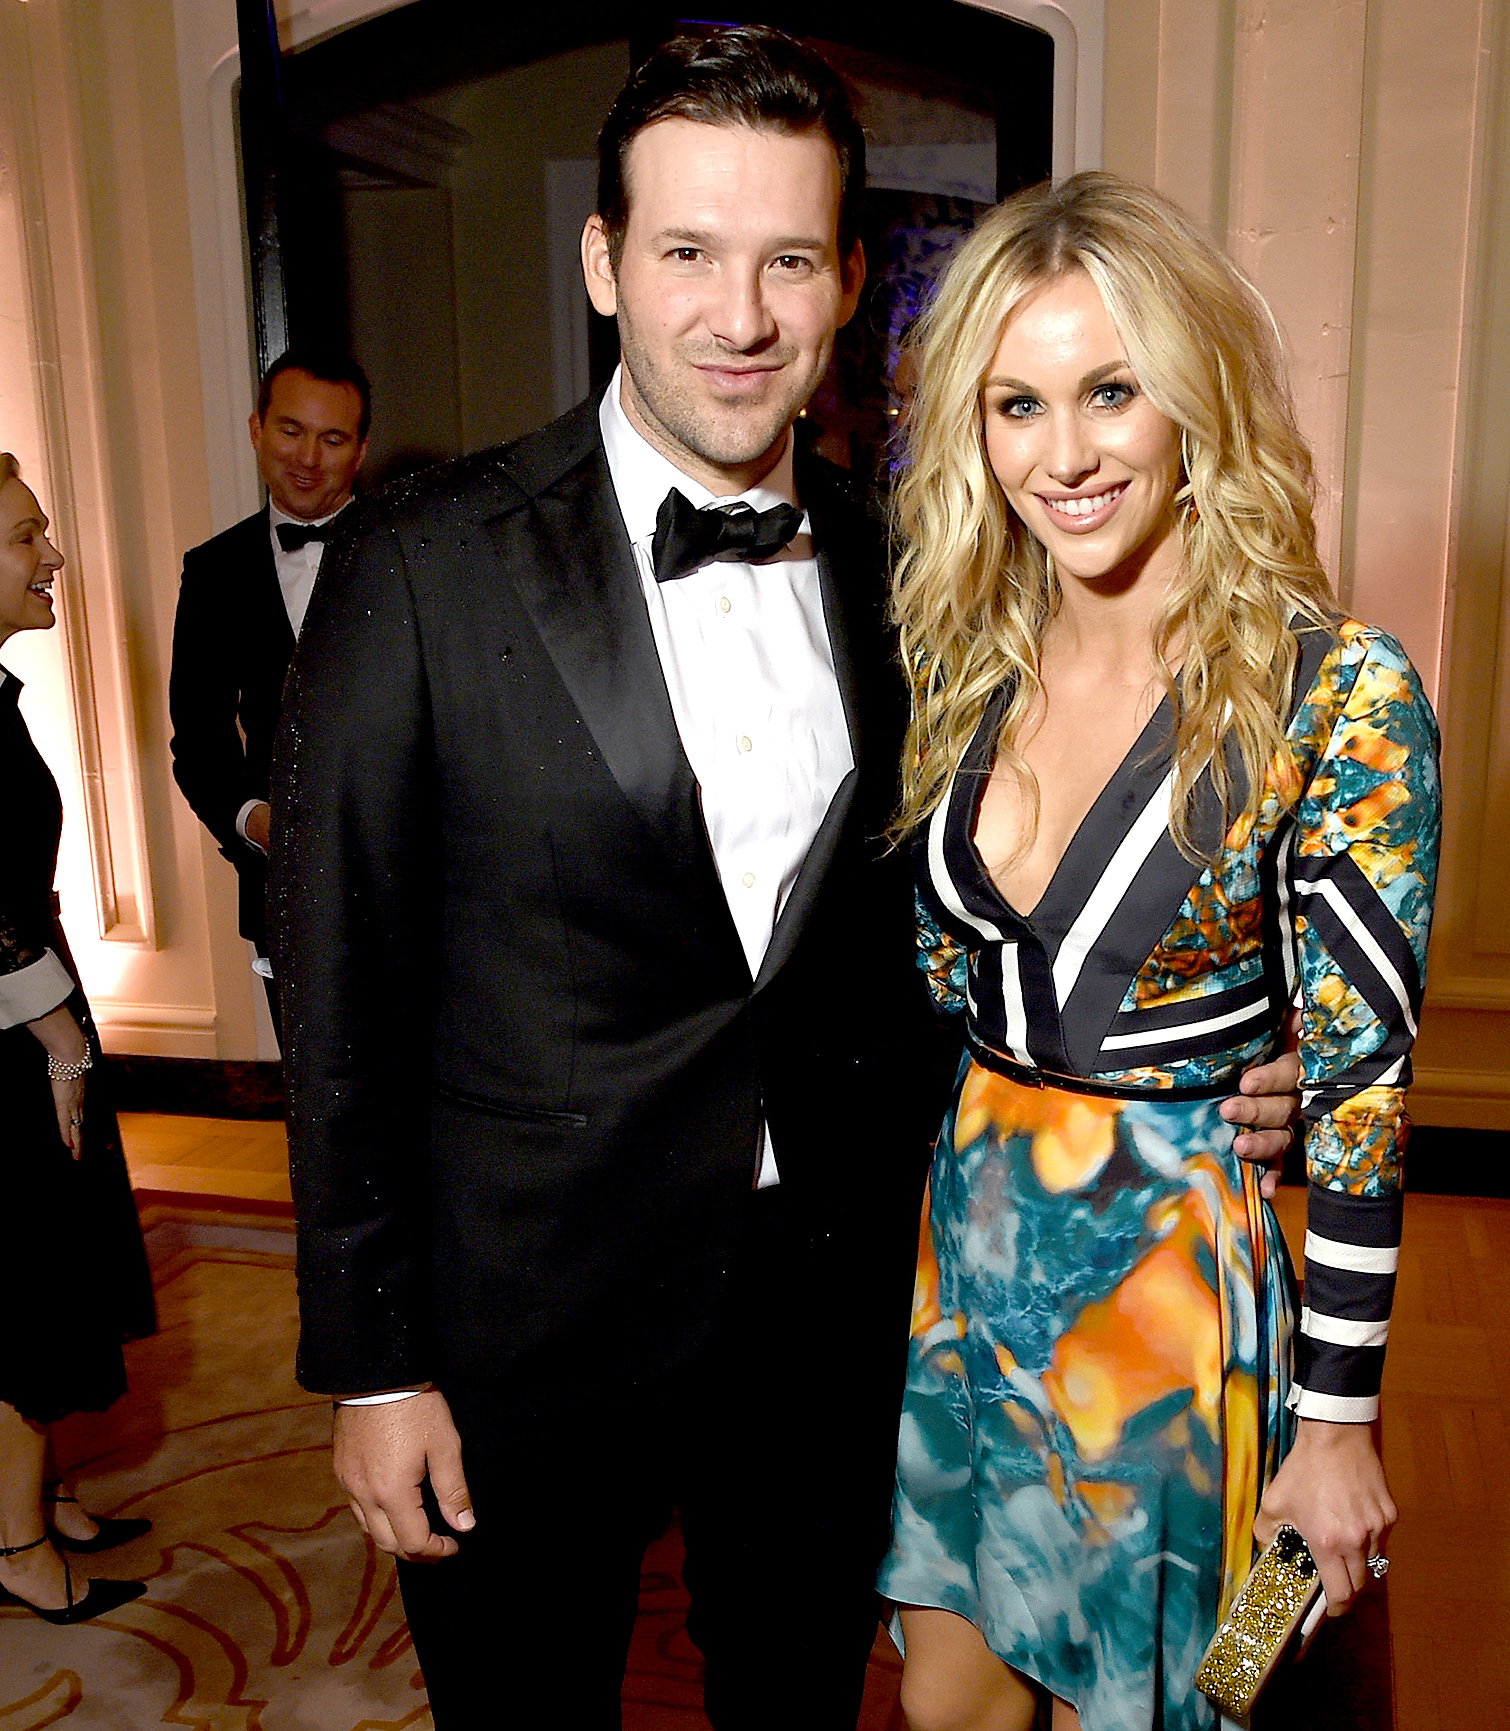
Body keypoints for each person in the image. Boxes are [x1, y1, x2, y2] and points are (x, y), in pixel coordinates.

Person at [270, 31, 1300, 1728]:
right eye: (685, 251)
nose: (736, 316)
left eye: (787, 259)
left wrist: (1241, 1054)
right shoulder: (421, 561)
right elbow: (337, 998)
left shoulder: (929, 583)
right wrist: (372, 1361)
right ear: (604, 262)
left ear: (846, 280)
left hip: (827, 1314)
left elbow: (1021, 904)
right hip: (521, 1323)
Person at [876, 174, 1440, 1731]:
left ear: (1192, 395)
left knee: (1209, 1699)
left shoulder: (1340, 693)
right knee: (948, 1704)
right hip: (973, 1265)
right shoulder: (963, 656)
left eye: (1111, 391)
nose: (1065, 455)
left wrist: (1335, 1427)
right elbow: (947, 989)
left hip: (1188, 1301)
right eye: (1016, 403)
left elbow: (1367, 1087)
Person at [0, 453, 155, 1624]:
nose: (50, 556)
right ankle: (12, 1549)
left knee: (51, 1275)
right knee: (26, 1294)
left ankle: (33, 1502)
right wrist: (57, 1034)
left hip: (36, 1011)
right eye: (24, 538)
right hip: (14, 1037)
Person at [169, 349, 370, 1042]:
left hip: (423, 891)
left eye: (333, 438)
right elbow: (197, 740)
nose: (308, 457)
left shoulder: (418, 554)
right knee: (319, 1120)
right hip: (286, 899)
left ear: (361, 449)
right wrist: (259, 824)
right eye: (291, 430)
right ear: (256, 428)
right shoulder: (213, 571)